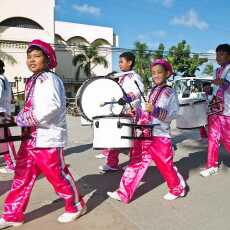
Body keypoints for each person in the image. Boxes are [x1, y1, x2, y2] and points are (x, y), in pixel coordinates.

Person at [0, 39, 86, 229]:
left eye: (37, 56)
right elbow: (31, 108)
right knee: (21, 176)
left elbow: (50, 108)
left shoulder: (49, 79)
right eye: (29, 57)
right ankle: (13, 214)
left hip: (47, 138)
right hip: (31, 138)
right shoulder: (34, 80)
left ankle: (76, 205)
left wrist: (18, 120)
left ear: (48, 59)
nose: (31, 60)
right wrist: (14, 118)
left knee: (57, 175)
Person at [107, 59, 186, 203]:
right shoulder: (152, 90)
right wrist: (135, 112)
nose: (155, 75)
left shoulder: (170, 92)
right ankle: (123, 192)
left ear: (167, 73)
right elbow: (145, 110)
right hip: (144, 132)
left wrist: (155, 110)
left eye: (159, 72)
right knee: (136, 162)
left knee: (165, 165)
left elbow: (174, 114)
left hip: (160, 135)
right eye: (153, 73)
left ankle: (177, 188)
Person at [98, 52, 144, 172]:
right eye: (119, 62)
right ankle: (112, 164)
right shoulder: (122, 77)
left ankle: (134, 164)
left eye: (121, 61)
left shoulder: (134, 76)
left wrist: (126, 98)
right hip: (121, 112)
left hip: (131, 113)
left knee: (131, 140)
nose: (119, 64)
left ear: (129, 62)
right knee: (115, 137)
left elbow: (139, 91)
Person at [200, 44, 230, 177]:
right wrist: (209, 90)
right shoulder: (217, 71)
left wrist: (225, 83)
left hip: (227, 111)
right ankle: (211, 165)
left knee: (227, 139)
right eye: (217, 54)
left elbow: (225, 85)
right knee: (212, 137)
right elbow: (215, 89)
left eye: (222, 54)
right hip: (216, 109)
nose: (218, 57)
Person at [0, 59, 17, 174]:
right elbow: (11, 98)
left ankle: (10, 164)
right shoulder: (4, 79)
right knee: (5, 140)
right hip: (4, 112)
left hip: (1, 113)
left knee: (4, 141)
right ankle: (11, 163)